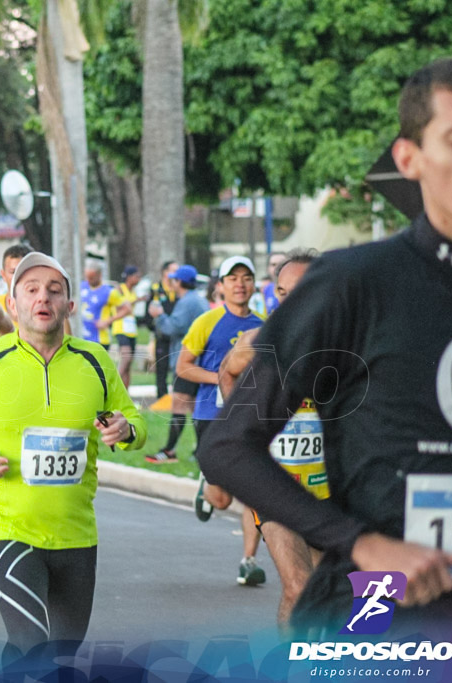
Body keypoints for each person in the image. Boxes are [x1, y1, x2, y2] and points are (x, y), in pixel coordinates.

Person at [197, 57, 452, 631]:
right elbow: (227, 446)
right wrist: (362, 544)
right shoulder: (355, 284)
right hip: (378, 606)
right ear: (410, 158)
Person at [0, 252, 145, 678]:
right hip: (9, 529)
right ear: (13, 304)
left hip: (75, 534)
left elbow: (134, 422)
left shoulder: (95, 360)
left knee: (62, 655)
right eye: (30, 289)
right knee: (34, 644)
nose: (42, 298)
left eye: (54, 290)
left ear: (69, 304)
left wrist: (126, 429)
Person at [207, 249, 325, 629]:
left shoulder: (353, 342)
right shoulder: (258, 341)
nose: (293, 301)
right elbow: (227, 373)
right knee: (300, 589)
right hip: (279, 489)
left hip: (334, 492)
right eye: (284, 292)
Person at [177, 255, 266, 586]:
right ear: (221, 286)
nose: (240, 284)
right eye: (233, 278)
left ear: (253, 284)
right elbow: (183, 367)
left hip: (251, 416)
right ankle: (206, 487)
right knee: (222, 499)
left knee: (254, 490)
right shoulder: (207, 321)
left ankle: (248, 561)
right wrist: (222, 377)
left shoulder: (264, 323)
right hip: (211, 416)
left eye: (246, 277)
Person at [144, 265, 209, 464]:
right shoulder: (197, 299)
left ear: (180, 282)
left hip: (187, 362)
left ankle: (170, 451)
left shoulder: (188, 302)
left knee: (180, 405)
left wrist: (159, 315)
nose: (171, 283)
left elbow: (173, 328)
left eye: (173, 280)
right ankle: (202, 452)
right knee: (195, 409)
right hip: (198, 362)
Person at [140, 261, 178, 398]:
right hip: (161, 335)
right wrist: (155, 328)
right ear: (165, 272)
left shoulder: (178, 289)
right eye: (173, 270)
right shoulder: (156, 289)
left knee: (176, 367)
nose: (176, 274)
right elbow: (147, 314)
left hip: (176, 335)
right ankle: (162, 398)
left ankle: (176, 397)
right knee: (161, 367)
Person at [79, 260, 130, 349]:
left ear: (99, 275)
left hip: (100, 340)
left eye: (91, 278)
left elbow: (127, 308)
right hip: (81, 338)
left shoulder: (109, 292)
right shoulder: (82, 286)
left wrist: (107, 321)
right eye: (87, 277)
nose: (88, 280)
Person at [111, 265, 142, 390]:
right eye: (136, 276)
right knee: (126, 357)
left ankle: (126, 394)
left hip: (131, 330)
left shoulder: (133, 292)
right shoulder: (120, 289)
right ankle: (114, 386)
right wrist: (136, 301)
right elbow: (120, 307)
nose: (138, 279)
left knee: (129, 363)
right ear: (129, 277)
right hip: (121, 328)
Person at [0, 244, 34, 327]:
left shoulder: (51, 312)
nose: (18, 277)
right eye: (13, 272)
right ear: (3, 275)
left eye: (24, 271)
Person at [261, 251, 286, 316]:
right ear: (268, 269)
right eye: (273, 265)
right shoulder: (267, 289)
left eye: (281, 264)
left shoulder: (295, 289)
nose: (277, 268)